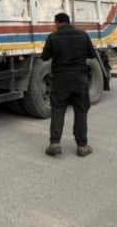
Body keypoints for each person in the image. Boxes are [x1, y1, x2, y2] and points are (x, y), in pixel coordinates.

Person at [40, 12, 96, 157]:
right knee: (81, 112)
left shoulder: (53, 37)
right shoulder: (83, 35)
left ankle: (55, 144)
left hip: (61, 80)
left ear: (57, 23)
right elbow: (91, 54)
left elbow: (44, 57)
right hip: (80, 79)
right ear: (69, 22)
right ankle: (82, 147)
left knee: (58, 110)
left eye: (55, 23)